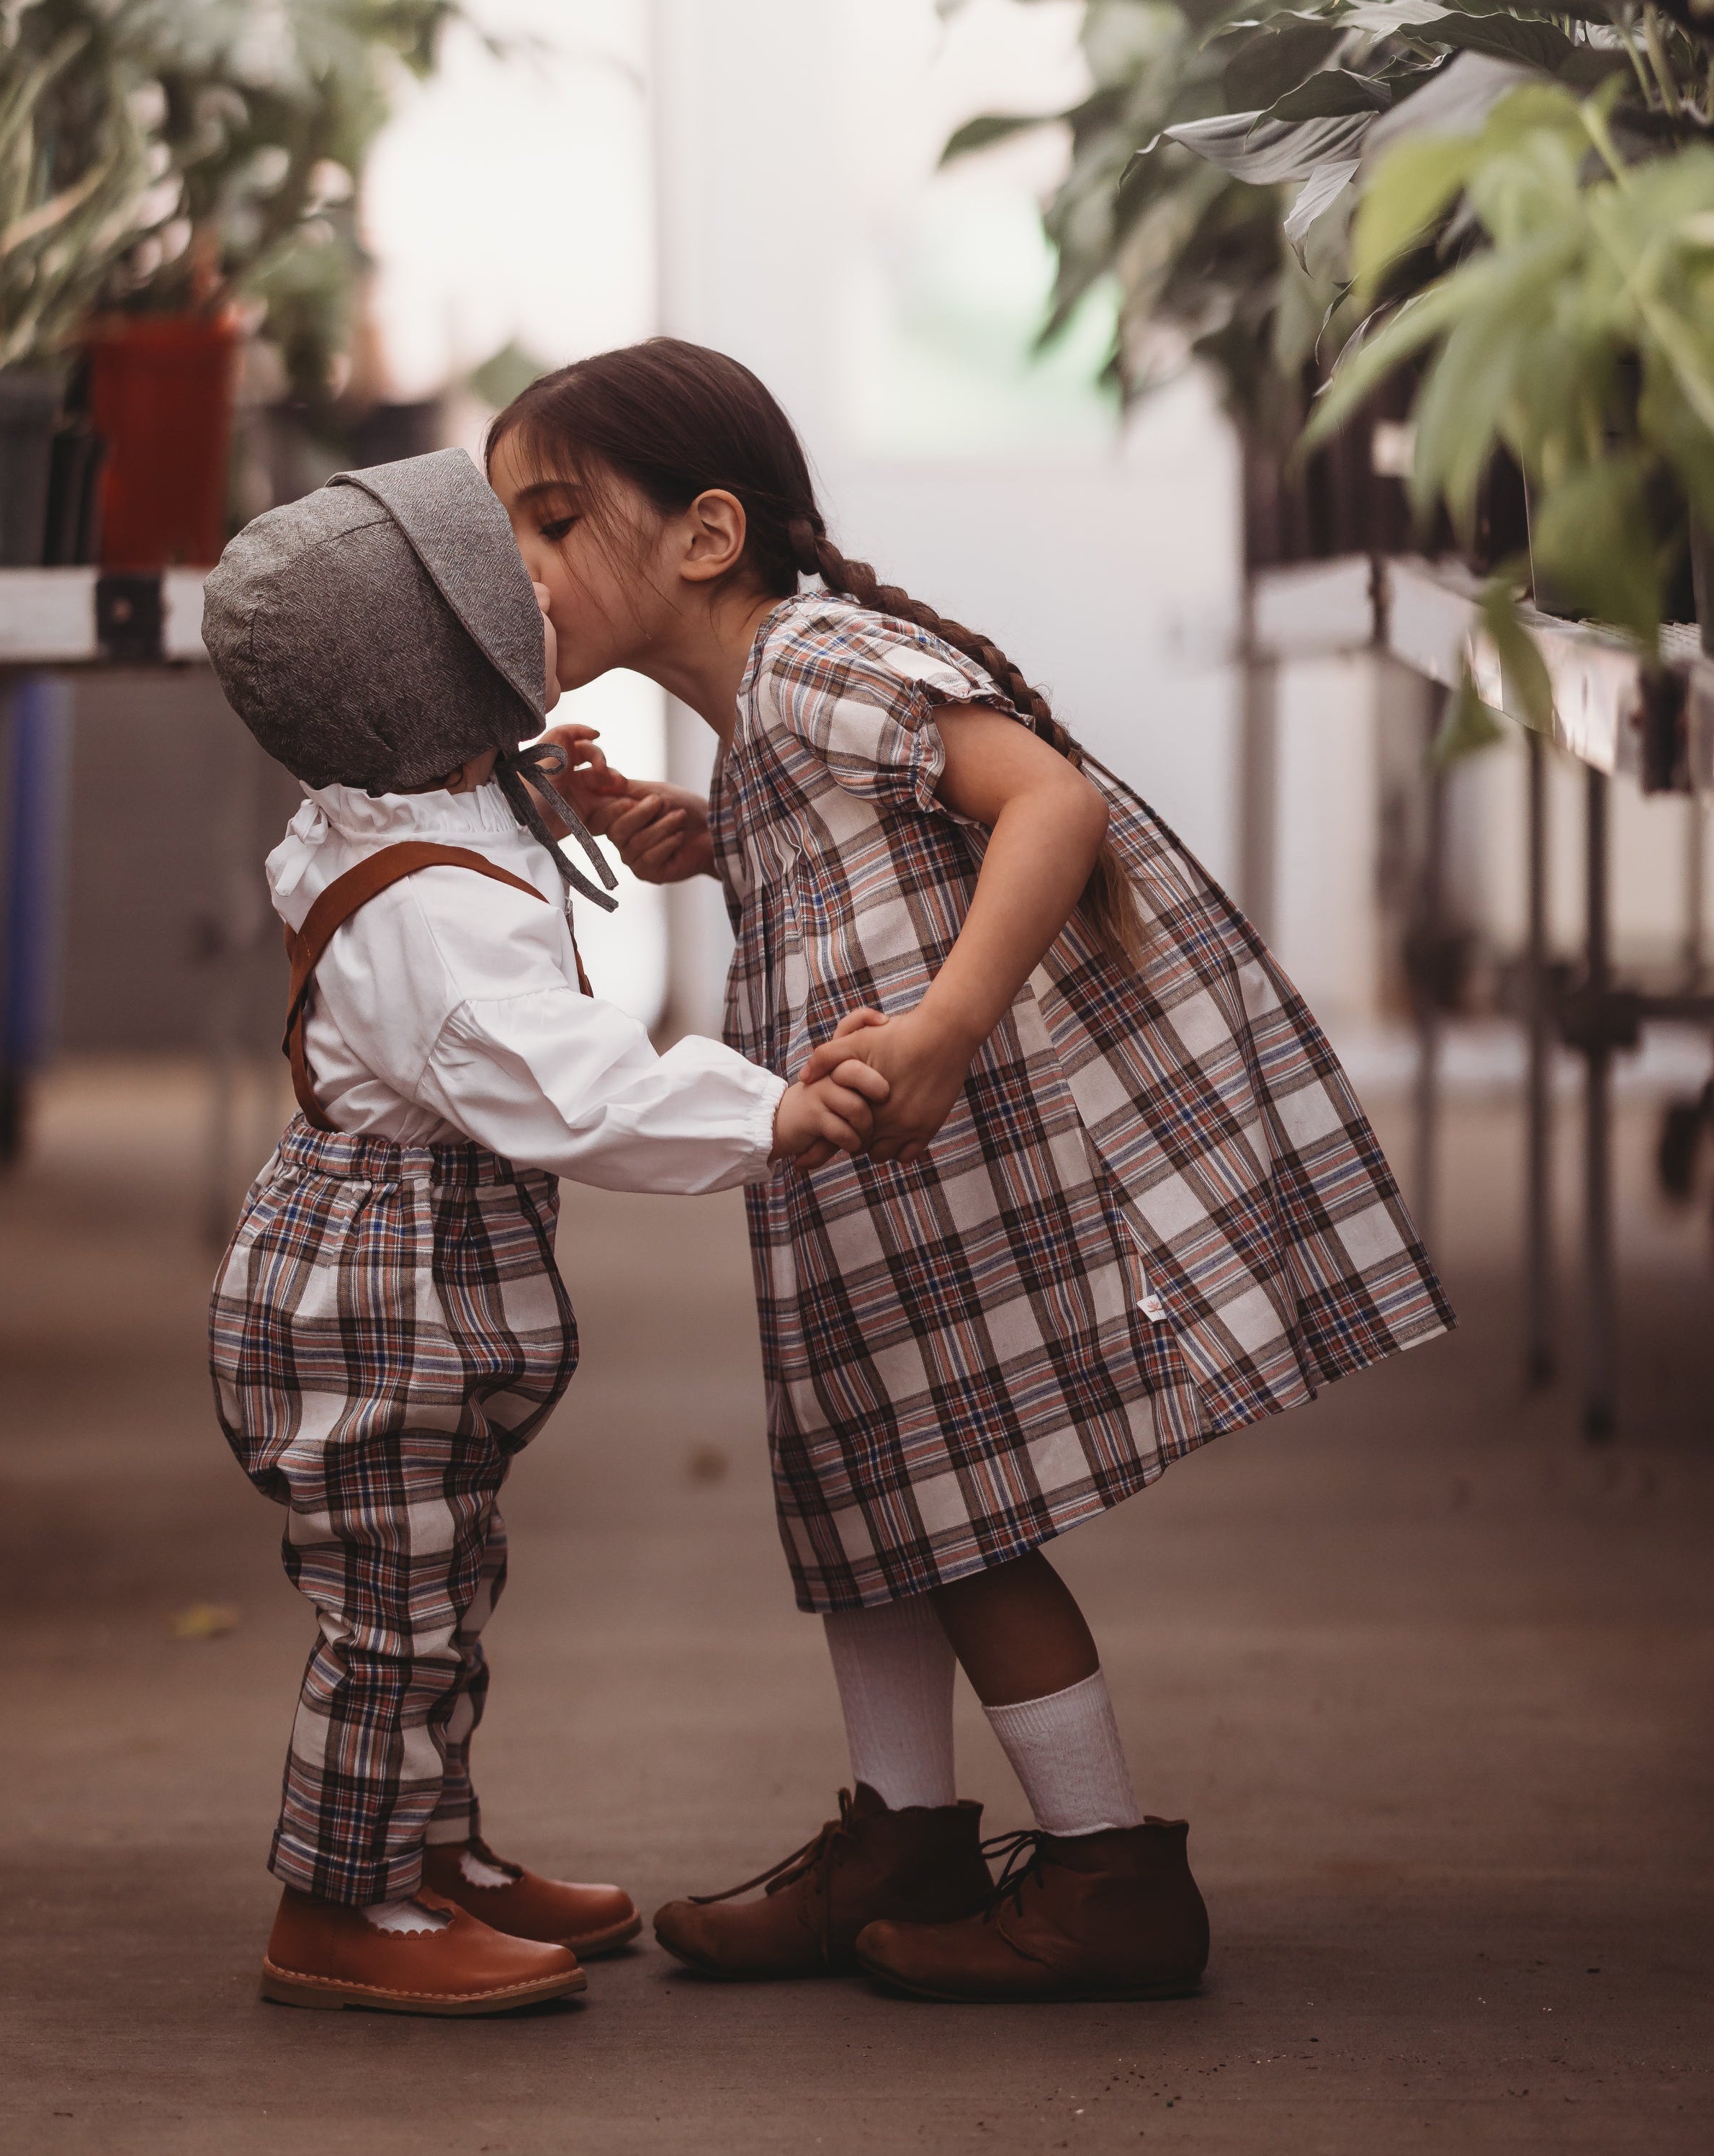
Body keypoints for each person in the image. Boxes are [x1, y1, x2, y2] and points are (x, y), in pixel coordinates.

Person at [487, 340, 1454, 2005]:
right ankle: (906, 1840)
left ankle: (1109, 1871)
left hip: (938, 1174)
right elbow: (867, 843)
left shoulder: (812, 660)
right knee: (875, 1491)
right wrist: (706, 837)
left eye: (554, 520)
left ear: (709, 534)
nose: (522, 563)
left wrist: (944, 1026)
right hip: (875, 1196)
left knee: (964, 1515)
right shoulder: (765, 713)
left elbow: (1049, 804)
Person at [200, 447, 888, 2018]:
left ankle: (431, 1854)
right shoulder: (427, 924)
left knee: (446, 1578)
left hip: (405, 1282)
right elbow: (581, 1090)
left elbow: (488, 829)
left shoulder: (422, 793)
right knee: (394, 1613)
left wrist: (561, 790)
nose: (537, 582)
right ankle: (341, 1907)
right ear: (432, 672)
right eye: (500, 580)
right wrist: (768, 1112)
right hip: (371, 1303)